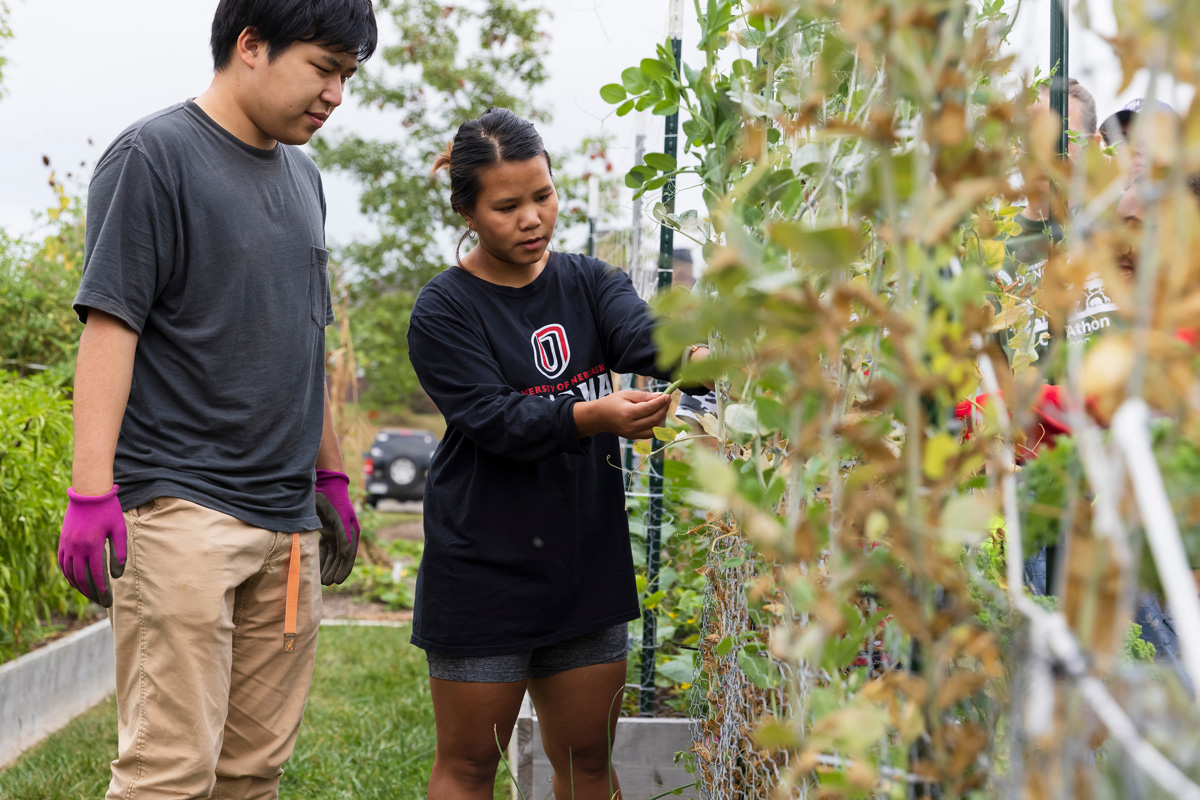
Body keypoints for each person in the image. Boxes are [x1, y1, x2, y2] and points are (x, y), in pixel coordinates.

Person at [57, 1, 377, 797]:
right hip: (181, 513)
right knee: (169, 773)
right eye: (324, 67)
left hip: (287, 526)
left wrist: (329, 478)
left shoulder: (305, 179)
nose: (336, 94)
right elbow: (110, 328)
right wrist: (91, 490)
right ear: (251, 45)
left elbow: (305, 341)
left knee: (251, 772)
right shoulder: (153, 157)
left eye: (348, 75)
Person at [406, 107, 707, 800]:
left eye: (542, 195)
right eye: (506, 206)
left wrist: (708, 359)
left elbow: (646, 340)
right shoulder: (445, 311)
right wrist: (593, 415)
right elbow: (494, 419)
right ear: (468, 212)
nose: (533, 218)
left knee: (589, 765)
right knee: (469, 768)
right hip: (483, 570)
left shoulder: (589, 281)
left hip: (584, 563)